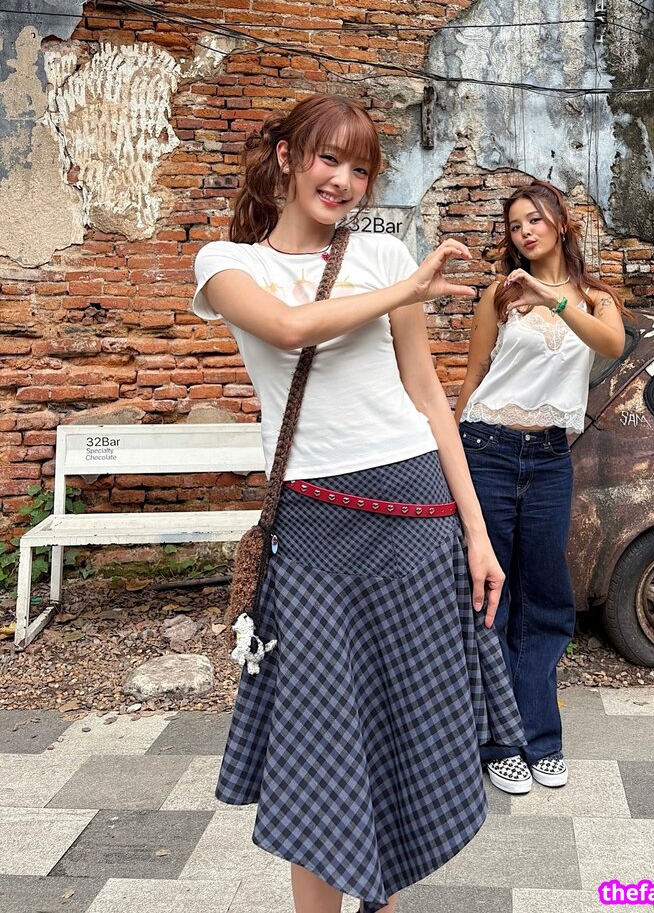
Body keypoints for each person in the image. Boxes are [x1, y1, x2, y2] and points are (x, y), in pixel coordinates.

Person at [191, 94, 524, 913]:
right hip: (314, 527)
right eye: (328, 158)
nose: (342, 180)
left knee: (400, 734)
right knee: (318, 753)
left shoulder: (380, 254)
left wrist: (478, 536)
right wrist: (405, 288)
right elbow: (288, 328)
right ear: (286, 157)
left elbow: (428, 396)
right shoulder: (227, 264)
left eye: (360, 169)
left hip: (416, 514)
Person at [455, 181, 626, 795]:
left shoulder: (596, 298)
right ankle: (500, 743)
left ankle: (541, 739)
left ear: (561, 223)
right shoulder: (499, 297)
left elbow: (611, 344)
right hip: (488, 449)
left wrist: (551, 299)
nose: (524, 231)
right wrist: (452, 456)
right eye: (514, 225)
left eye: (534, 219)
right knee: (491, 596)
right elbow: (474, 375)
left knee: (546, 600)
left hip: (551, 458)